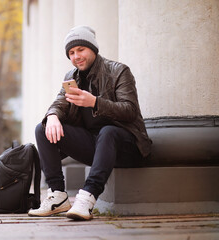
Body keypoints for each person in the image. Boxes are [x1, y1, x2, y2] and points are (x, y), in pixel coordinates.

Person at [28, 26, 152, 220]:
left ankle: (87, 196)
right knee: (42, 128)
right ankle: (58, 196)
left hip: (127, 146)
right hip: (96, 148)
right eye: (71, 52)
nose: (76, 56)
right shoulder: (72, 77)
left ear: (93, 49)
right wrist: (52, 116)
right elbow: (59, 104)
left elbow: (130, 111)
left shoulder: (118, 71)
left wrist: (95, 102)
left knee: (108, 131)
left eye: (81, 49)